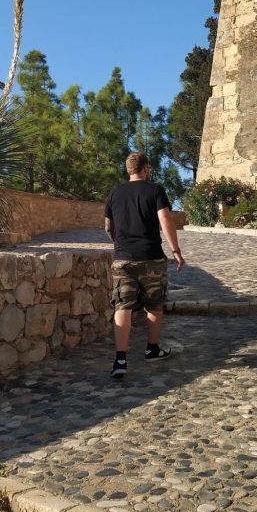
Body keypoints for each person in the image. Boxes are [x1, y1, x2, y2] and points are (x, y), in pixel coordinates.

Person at [104, 152, 185, 378]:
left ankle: (120, 359)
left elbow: (108, 226)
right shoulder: (155, 190)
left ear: (128, 170)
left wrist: (119, 245)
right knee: (154, 305)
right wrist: (176, 251)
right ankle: (152, 349)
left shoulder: (115, 193)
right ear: (146, 169)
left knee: (122, 306)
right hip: (151, 258)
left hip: (123, 259)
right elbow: (165, 219)